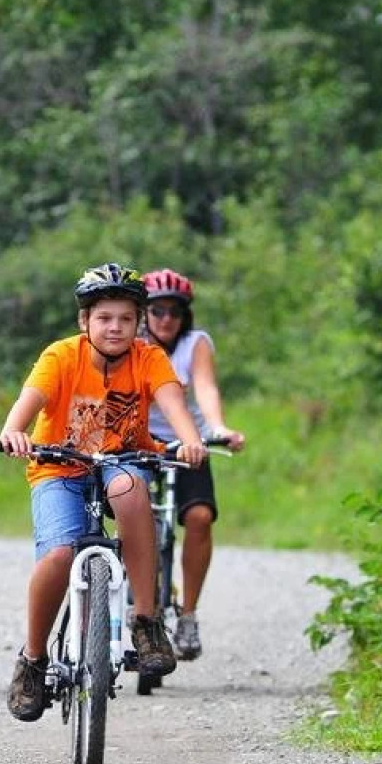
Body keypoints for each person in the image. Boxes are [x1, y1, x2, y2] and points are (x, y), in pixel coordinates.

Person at [0, 263, 207, 722]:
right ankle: (33, 660)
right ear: (84, 322)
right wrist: (14, 431)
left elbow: (173, 401)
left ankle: (147, 622)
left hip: (122, 461)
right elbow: (27, 402)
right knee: (57, 555)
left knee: (131, 492)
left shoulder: (149, 358)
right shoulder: (61, 357)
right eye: (104, 318)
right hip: (59, 466)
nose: (115, 328)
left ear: (139, 323)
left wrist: (190, 439)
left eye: (126, 319)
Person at [141, 268, 246, 661]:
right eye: (157, 311)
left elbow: (205, 387)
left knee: (200, 517)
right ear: (144, 313)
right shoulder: (130, 344)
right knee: (135, 517)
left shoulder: (195, 343)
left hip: (190, 445)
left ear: (185, 315)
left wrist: (217, 427)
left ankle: (188, 614)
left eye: (175, 311)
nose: (166, 319)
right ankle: (137, 607)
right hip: (141, 444)